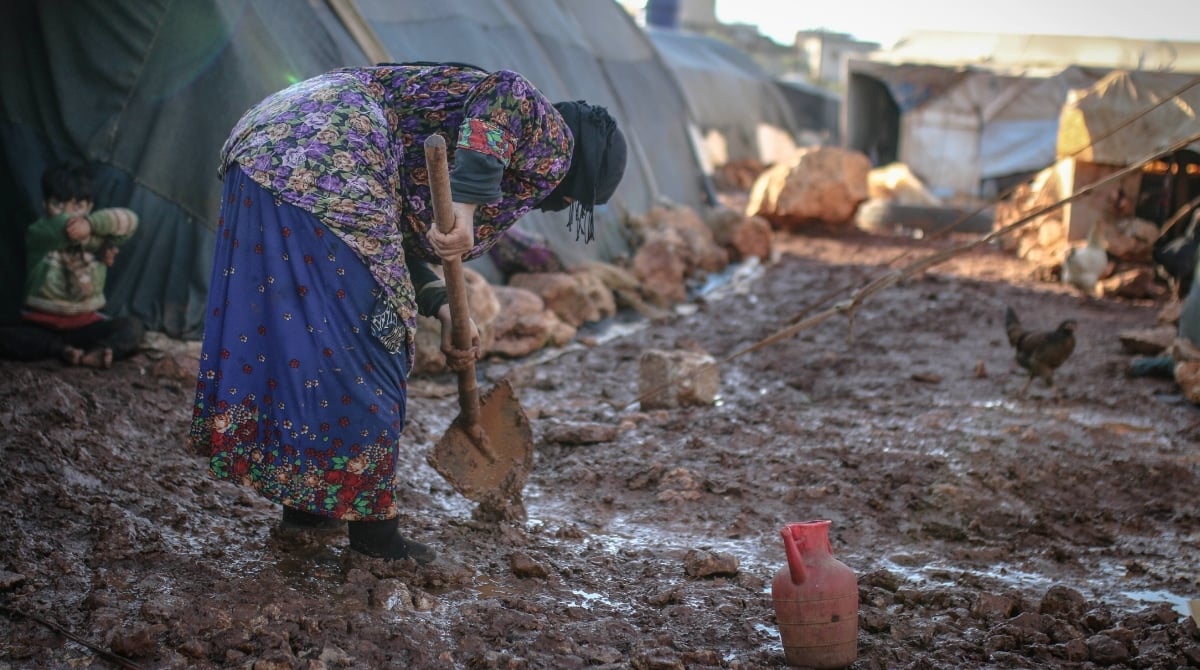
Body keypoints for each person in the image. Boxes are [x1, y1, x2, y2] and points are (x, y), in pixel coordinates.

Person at [187, 62, 627, 563]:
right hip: (334, 147)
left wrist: (443, 307)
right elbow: (507, 91)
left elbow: (391, 243)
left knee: (311, 346)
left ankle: (309, 508)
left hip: (269, 146)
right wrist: (466, 208)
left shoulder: (446, 144)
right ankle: (375, 537)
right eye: (568, 199)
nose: (556, 202)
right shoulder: (554, 139)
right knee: (376, 343)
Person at [0, 161, 143, 369]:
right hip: (41, 326)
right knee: (7, 336)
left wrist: (92, 224)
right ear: (44, 204)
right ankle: (61, 350)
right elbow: (66, 228)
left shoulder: (94, 227)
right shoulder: (39, 232)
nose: (68, 213)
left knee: (132, 328)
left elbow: (131, 220)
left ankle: (97, 352)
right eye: (58, 205)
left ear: (89, 208)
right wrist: (101, 242)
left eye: (77, 206)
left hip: (86, 325)